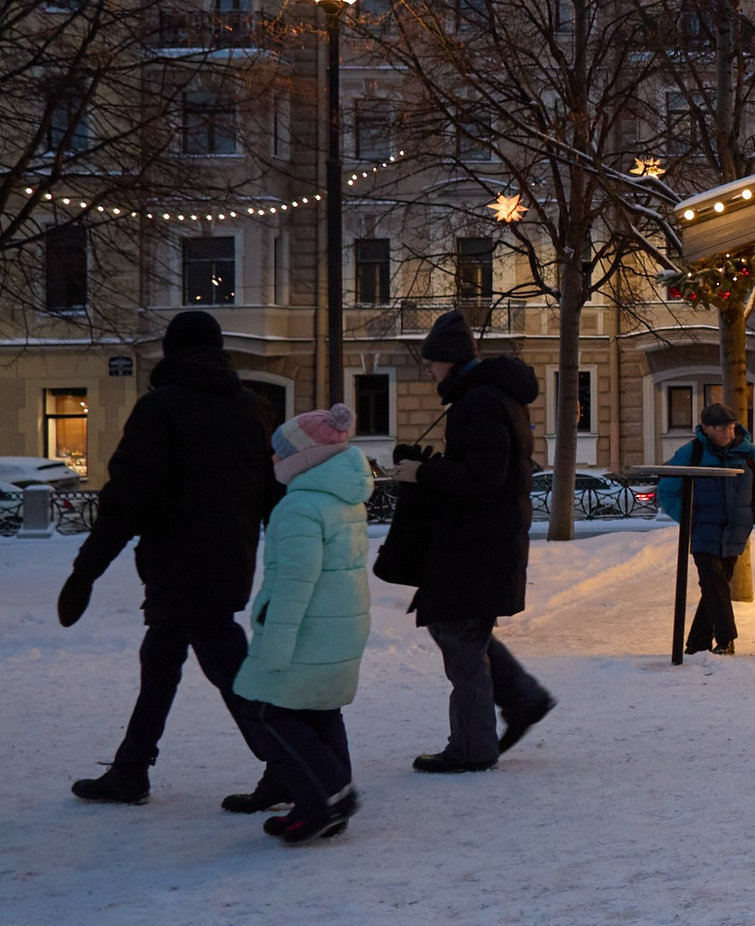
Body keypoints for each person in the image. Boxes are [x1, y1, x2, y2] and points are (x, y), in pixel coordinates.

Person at [57, 310, 286, 811]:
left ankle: (287, 760)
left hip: (178, 564)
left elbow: (127, 498)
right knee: (162, 658)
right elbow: (271, 492)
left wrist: (86, 570)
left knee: (225, 663)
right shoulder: (251, 408)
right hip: (229, 560)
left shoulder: (161, 408)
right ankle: (130, 769)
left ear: (171, 351)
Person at [399, 309, 557, 773]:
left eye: (431, 364)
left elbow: (486, 476)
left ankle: (472, 746)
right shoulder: (489, 397)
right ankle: (522, 700)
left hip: (478, 541)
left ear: (448, 360)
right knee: (460, 628)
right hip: (483, 538)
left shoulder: (480, 401)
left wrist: (424, 472)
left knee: (458, 632)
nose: (429, 372)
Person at [234, 404, 373, 843]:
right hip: (340, 625)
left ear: (304, 457)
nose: (273, 461)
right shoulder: (342, 498)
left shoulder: (299, 508)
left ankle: (329, 793)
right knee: (318, 709)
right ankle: (324, 803)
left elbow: (296, 581)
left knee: (270, 711)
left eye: (279, 453)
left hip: (306, 629)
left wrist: (275, 639)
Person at [658, 402, 755, 656]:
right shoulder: (692, 452)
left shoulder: (750, 453)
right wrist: (690, 519)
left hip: (736, 530)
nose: (728, 433)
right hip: (703, 530)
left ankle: (697, 644)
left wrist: (754, 514)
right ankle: (726, 639)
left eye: (731, 428)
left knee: (715, 587)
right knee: (713, 582)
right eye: (722, 428)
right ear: (706, 428)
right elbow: (667, 491)